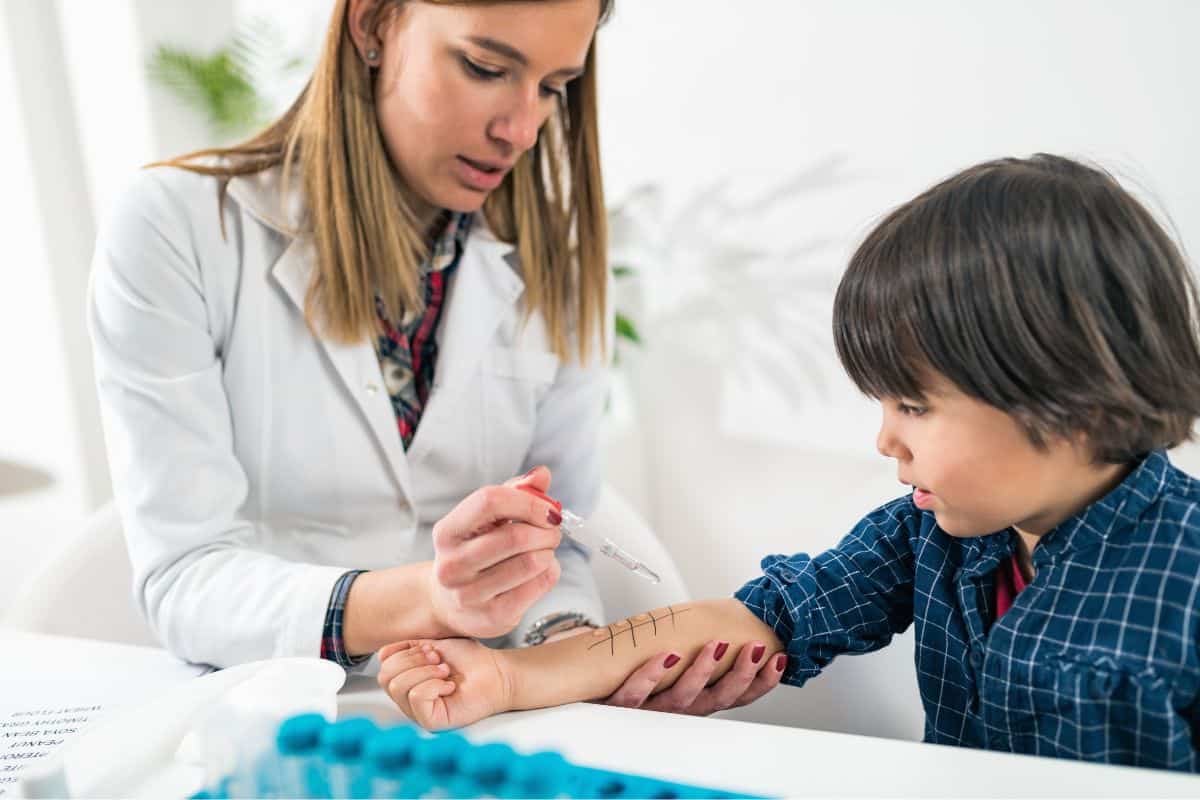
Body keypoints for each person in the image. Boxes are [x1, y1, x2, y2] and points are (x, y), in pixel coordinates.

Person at [377, 154, 1200, 772]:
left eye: (913, 406)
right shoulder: (931, 536)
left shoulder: (1186, 576)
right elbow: (746, 620)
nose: (886, 440)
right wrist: (506, 677)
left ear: (1069, 400)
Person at [88, 0, 780, 709]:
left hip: (484, 713)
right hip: (268, 710)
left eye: (553, 87)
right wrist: (427, 597)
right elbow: (185, 580)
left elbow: (559, 543)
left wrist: (573, 653)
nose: (520, 129)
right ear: (372, 25)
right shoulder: (175, 230)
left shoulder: (561, 269)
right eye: (485, 67)